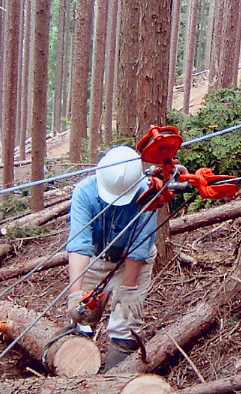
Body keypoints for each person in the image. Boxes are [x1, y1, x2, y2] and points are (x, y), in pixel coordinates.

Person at [66, 145, 157, 370]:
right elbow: (79, 245)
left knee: (125, 320)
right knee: (83, 314)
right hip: (98, 257)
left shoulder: (149, 194)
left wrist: (127, 291)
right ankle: (75, 370)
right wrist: (75, 294)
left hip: (135, 259)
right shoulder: (84, 192)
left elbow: (138, 248)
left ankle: (114, 376)